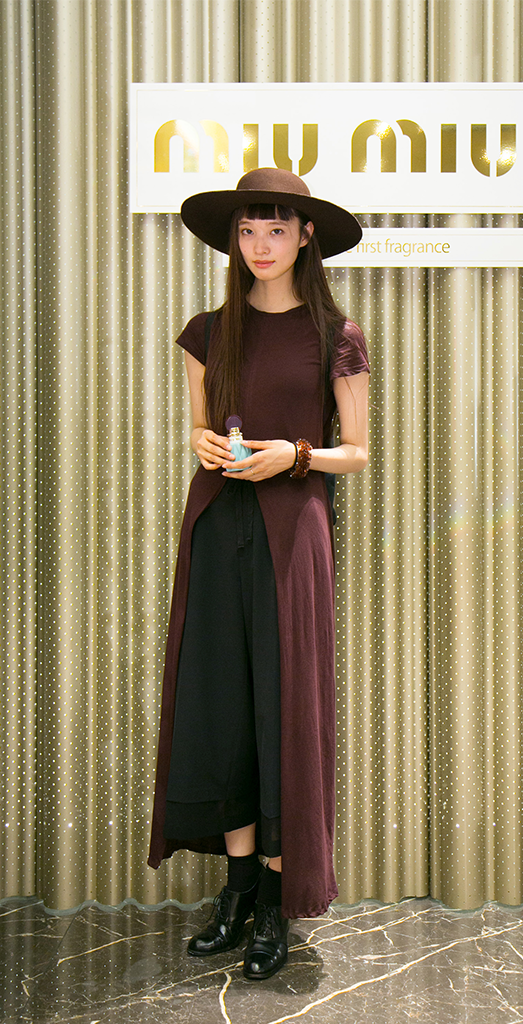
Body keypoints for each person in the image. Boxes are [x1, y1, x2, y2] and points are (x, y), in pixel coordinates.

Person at [147, 167, 369, 980]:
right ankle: (237, 886)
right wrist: (202, 444)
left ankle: (276, 896)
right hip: (216, 525)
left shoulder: (336, 335)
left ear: (306, 236)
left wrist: (295, 454)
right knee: (220, 705)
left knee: (284, 704)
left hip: (293, 531)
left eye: (276, 229)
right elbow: (201, 429)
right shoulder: (207, 332)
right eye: (248, 231)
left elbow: (358, 451)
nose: (261, 245)